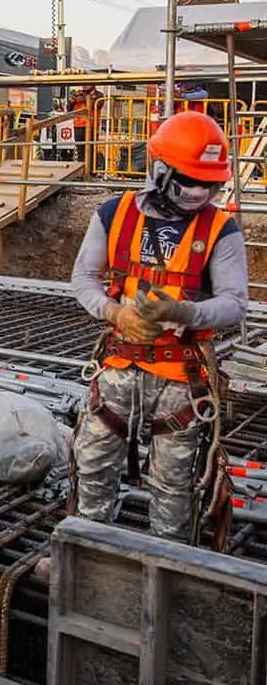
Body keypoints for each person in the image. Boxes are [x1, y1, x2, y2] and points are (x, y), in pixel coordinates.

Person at [69, 111, 248, 544]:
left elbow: (234, 304)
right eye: (192, 180)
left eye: (210, 183)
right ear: (162, 170)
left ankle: (165, 578)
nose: (201, 191)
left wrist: (186, 314)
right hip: (117, 368)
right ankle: (86, 560)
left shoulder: (221, 229)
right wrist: (116, 314)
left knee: (173, 494)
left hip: (180, 381)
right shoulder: (114, 214)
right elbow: (83, 279)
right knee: (91, 473)